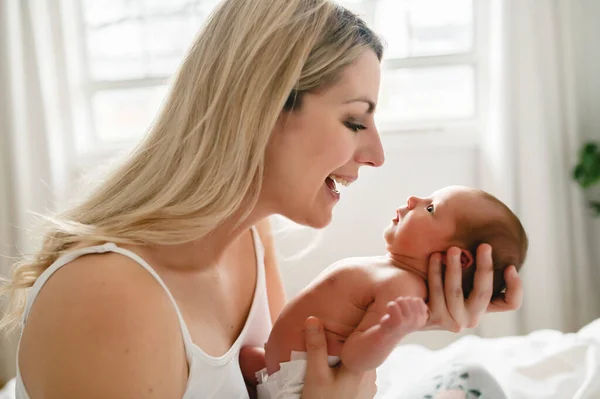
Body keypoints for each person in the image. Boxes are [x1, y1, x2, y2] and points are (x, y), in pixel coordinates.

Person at [0, 1, 523, 398]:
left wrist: (408, 318)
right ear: (263, 109)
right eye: (354, 120)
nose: (376, 154)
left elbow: (273, 377)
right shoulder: (110, 297)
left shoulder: (250, 237)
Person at [239, 186, 528, 398]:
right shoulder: (392, 273)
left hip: (304, 389)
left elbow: (354, 359)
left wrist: (390, 332)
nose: (414, 199)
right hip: (281, 371)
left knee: (469, 378)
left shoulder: (402, 287)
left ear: (459, 258)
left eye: (430, 208)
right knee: (241, 361)